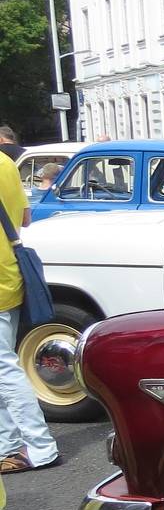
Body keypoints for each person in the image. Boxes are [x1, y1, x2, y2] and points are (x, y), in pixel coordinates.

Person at [0, 154, 58, 474]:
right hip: (8, 273)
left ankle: (38, 446)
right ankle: (9, 445)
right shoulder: (6, 164)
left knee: (4, 369)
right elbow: (25, 218)